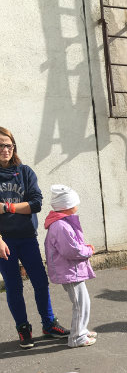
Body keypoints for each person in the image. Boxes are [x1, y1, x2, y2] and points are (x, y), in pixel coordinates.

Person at [0, 126, 69, 349]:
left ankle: (49, 324)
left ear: (14, 147)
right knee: (13, 286)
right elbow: (28, 205)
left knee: (40, 281)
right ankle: (23, 328)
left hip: (27, 237)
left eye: (8, 145)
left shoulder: (25, 172)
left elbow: (36, 204)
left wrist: (7, 207)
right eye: (0, 146)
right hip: (4, 241)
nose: (5, 150)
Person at [44, 185, 97, 348]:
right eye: (75, 202)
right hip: (69, 271)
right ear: (67, 205)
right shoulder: (61, 226)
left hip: (71, 270)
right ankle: (76, 337)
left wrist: (83, 247)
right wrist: (88, 251)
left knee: (83, 302)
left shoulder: (63, 223)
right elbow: (70, 250)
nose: (77, 205)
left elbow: (71, 245)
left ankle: (80, 330)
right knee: (80, 304)